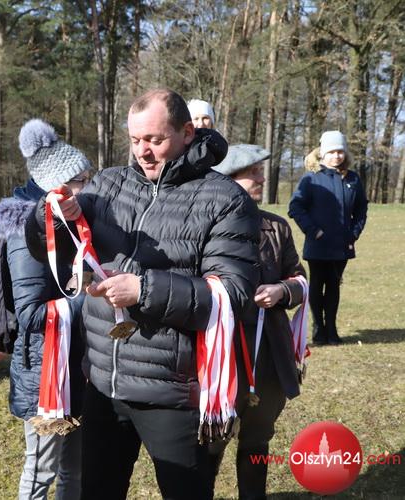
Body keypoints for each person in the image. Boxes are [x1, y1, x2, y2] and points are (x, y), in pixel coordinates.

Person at [25, 89, 260, 500]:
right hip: (104, 382)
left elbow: (233, 293)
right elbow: (50, 251)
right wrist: (56, 217)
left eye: (155, 139)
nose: (143, 152)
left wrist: (143, 289)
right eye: (135, 140)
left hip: (172, 391)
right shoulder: (107, 184)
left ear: (187, 132)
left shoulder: (226, 199)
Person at [0, 119, 91, 499]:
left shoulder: (70, 225)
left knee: (75, 469)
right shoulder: (24, 232)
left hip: (76, 364)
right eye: (81, 181)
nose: (88, 188)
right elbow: (31, 313)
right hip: (43, 373)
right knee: (41, 469)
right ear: (56, 186)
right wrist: (92, 298)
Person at [210, 144, 307, 499]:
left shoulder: (277, 227)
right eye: (253, 173)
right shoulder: (206, 224)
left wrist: (282, 290)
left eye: (261, 171)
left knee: (257, 438)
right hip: (221, 354)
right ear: (229, 179)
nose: (262, 179)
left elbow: (299, 278)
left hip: (269, 353)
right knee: (212, 439)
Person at [288, 131, 367, 345]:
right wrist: (313, 231)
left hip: (342, 245)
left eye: (340, 151)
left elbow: (361, 208)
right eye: (331, 152)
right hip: (318, 244)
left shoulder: (352, 178)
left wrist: (354, 233)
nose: (336, 156)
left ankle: (331, 329)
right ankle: (318, 328)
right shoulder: (311, 178)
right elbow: (296, 207)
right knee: (317, 284)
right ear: (322, 153)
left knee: (334, 284)